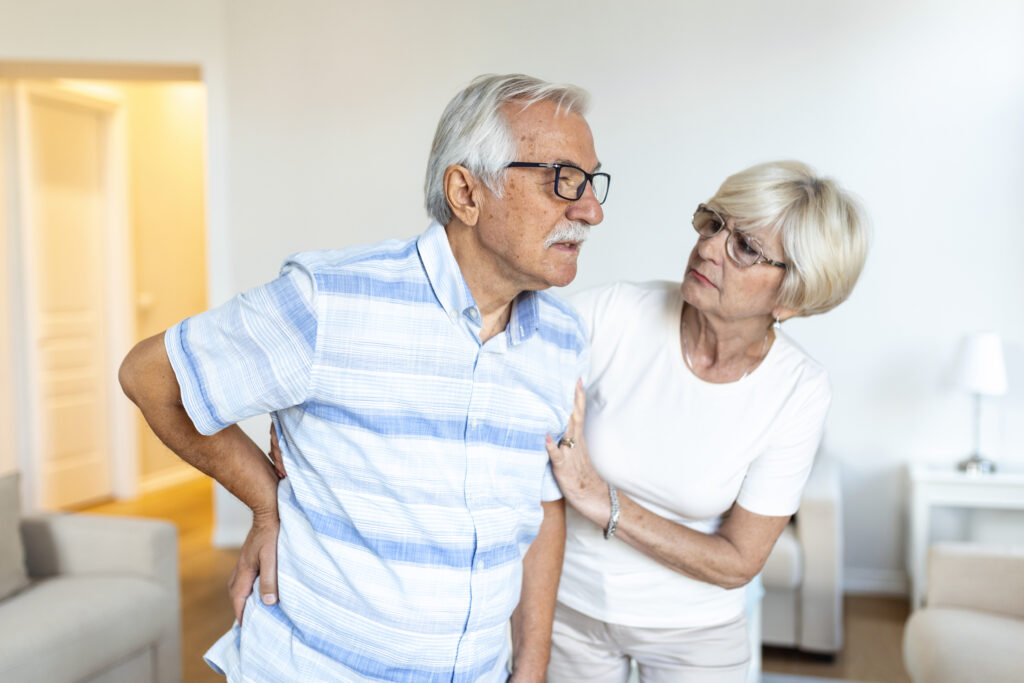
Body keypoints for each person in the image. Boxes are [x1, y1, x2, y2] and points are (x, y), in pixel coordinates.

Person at [118, 73, 610, 682]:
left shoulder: (562, 338)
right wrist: (267, 505)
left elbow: (539, 508)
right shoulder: (331, 300)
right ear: (466, 192)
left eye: (591, 183)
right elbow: (150, 377)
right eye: (563, 179)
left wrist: (531, 668)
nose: (591, 210)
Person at [543, 161, 869, 682]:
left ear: (792, 297)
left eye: (745, 247)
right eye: (715, 223)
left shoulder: (799, 389)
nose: (709, 247)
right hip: (569, 611)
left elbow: (738, 560)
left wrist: (599, 498)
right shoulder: (616, 313)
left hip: (695, 634)